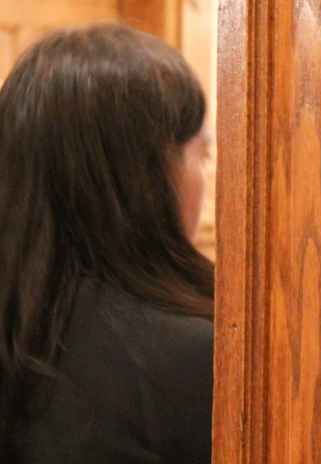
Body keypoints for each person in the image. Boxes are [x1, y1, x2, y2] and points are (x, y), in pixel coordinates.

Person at [0, 24, 215, 463]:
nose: (207, 176)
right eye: (202, 153)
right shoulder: (190, 356)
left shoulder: (21, 321)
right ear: (148, 175)